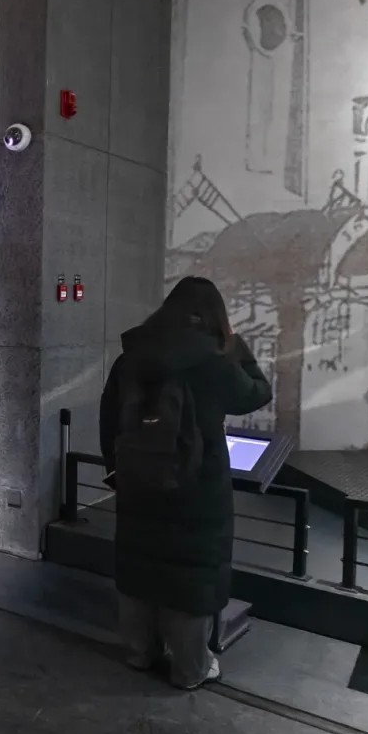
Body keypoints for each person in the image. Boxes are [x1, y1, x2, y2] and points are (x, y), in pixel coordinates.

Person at [98, 276, 272, 690]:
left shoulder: (131, 358)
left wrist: (118, 471)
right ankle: (190, 669)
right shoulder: (213, 362)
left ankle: (139, 652)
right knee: (189, 574)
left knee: (139, 563)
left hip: (138, 483)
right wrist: (236, 345)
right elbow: (257, 393)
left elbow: (110, 418)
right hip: (196, 487)